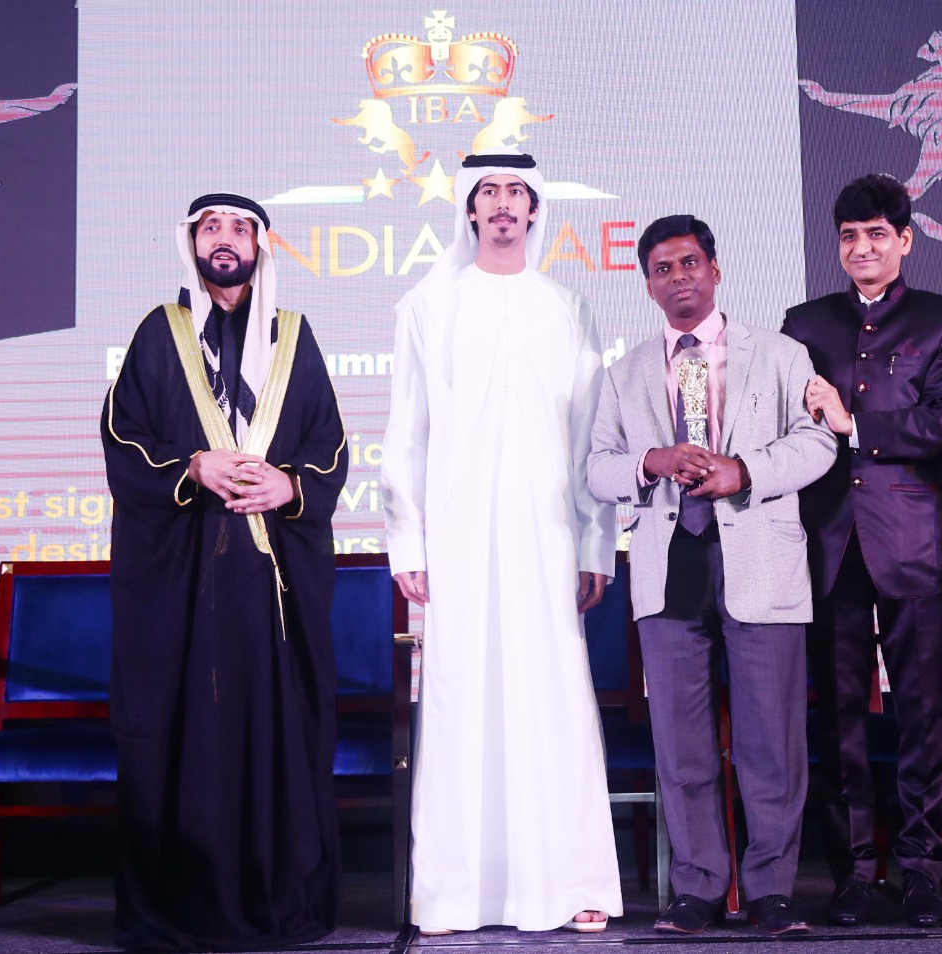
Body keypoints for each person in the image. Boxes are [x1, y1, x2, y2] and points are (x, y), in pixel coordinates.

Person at [380, 152, 622, 934]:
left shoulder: (567, 305)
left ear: (535, 208)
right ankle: (456, 895)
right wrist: (407, 541)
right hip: (457, 533)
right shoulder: (428, 304)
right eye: (489, 191)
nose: (504, 204)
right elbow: (407, 430)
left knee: (554, 695)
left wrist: (594, 545)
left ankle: (570, 883)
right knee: (463, 698)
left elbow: (589, 436)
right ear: (470, 208)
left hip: (548, 534)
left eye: (518, 191)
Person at [102, 193, 348, 950]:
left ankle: (275, 898)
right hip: (182, 581)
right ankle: (185, 906)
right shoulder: (158, 332)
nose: (225, 239)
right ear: (192, 243)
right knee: (183, 731)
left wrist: (289, 486)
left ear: (259, 247)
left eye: (240, 228)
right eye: (211, 227)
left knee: (272, 729)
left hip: (269, 585)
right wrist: (192, 467)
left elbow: (329, 443)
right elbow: (121, 435)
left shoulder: (294, 337)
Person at [587, 215, 836, 936]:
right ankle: (697, 888)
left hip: (761, 558)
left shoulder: (782, 354)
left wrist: (744, 470)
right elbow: (598, 469)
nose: (679, 278)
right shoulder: (624, 372)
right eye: (662, 269)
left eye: (690, 263)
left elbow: (820, 442)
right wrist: (650, 462)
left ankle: (771, 892)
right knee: (681, 742)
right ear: (647, 285)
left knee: (771, 741)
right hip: (669, 565)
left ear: (716, 269)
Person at [781, 174, 942, 928]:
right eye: (849, 237)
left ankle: (923, 871)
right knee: (839, 719)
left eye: (876, 235)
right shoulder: (804, 323)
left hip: (912, 544)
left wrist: (853, 425)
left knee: (922, 713)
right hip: (827, 542)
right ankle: (855, 874)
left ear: (905, 240)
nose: (862, 248)